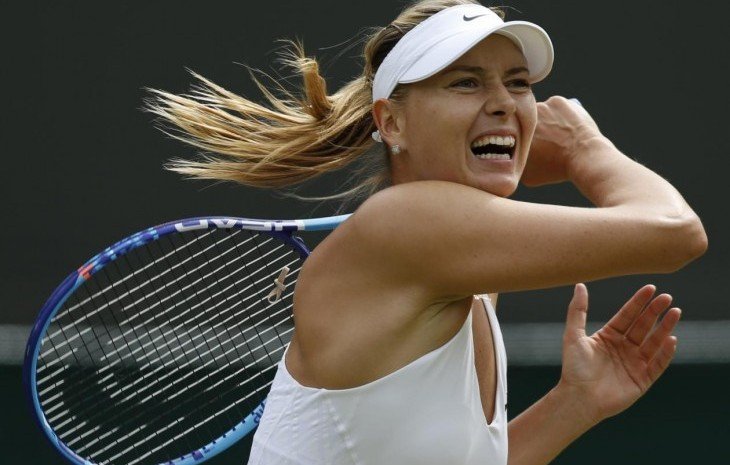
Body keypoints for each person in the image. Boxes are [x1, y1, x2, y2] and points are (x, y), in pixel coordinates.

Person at [146, 1, 708, 464]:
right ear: (392, 123)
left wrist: (574, 405)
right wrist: (585, 147)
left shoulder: (462, 267)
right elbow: (675, 233)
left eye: (517, 83)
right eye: (466, 83)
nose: (503, 103)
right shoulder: (410, 224)